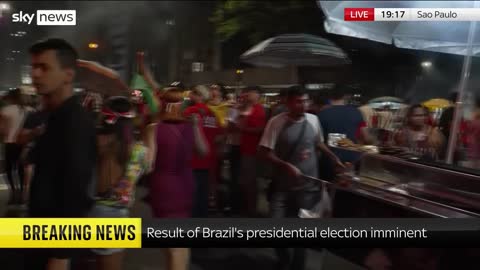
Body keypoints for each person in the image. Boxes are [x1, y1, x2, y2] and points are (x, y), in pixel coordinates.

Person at [26, 38, 97, 270]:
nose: (35, 74)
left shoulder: (74, 120)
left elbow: (77, 188)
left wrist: (61, 253)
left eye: (44, 67)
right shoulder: (54, 116)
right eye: (33, 67)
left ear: (68, 75)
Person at [258, 86, 343, 270]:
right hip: (283, 186)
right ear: (288, 102)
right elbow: (264, 152)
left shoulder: (313, 119)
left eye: (306, 101)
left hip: (308, 187)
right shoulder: (276, 122)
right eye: (298, 101)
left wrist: (333, 157)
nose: (303, 105)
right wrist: (285, 165)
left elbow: (318, 142)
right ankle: (283, 258)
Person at [147, 88, 208, 270]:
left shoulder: (153, 129)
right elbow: (204, 151)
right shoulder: (190, 127)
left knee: (172, 246)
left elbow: (148, 164)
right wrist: (196, 127)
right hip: (186, 185)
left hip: (163, 188)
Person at [90, 96, 151, 270]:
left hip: (91, 209)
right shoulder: (138, 150)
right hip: (118, 213)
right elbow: (146, 169)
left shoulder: (96, 143)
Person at [183, 85, 221, 217]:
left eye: (192, 93)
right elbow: (218, 136)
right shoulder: (213, 115)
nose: (189, 95)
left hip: (192, 160)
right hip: (208, 161)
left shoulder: (189, 112)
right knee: (202, 199)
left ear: (198, 95)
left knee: (190, 200)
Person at [317, 84, 369, 180]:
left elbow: (318, 142)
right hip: (352, 161)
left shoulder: (322, 114)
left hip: (329, 162)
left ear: (329, 97)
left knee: (330, 191)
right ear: (345, 97)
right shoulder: (357, 112)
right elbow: (366, 138)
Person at [236, 86, 266, 216]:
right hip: (245, 149)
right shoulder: (248, 108)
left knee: (250, 182)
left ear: (257, 95)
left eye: (250, 93)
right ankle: (248, 208)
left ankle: (252, 210)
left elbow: (260, 129)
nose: (247, 95)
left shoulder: (259, 110)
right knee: (246, 181)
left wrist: (243, 129)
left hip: (252, 151)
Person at [0, 88, 28, 205]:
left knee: (9, 169)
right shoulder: (27, 110)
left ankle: (13, 193)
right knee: (21, 169)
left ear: (10, 98)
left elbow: (2, 129)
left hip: (10, 143)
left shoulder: (5, 110)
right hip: (22, 144)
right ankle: (22, 193)